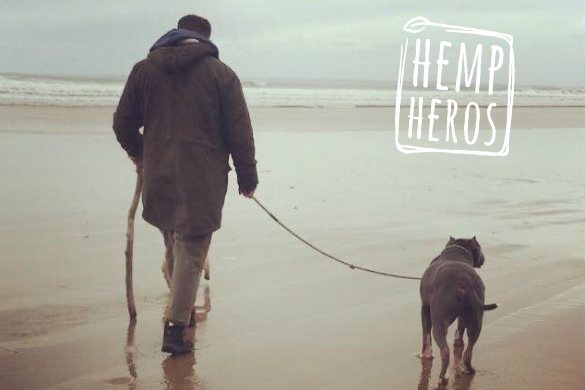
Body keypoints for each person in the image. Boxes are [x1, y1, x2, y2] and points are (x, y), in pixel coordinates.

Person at [113, 14, 258, 354]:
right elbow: (240, 133)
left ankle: (183, 310)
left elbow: (122, 123)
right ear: (206, 39)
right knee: (192, 248)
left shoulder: (144, 69)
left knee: (174, 239)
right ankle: (176, 330)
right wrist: (247, 177)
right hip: (202, 176)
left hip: (159, 173)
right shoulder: (221, 75)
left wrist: (140, 154)